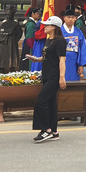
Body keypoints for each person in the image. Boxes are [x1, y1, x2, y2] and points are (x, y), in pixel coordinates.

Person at [26, 15, 66, 143]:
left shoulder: (60, 41)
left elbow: (62, 59)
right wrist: (37, 59)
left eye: (47, 25)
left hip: (54, 75)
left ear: (53, 27)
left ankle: (46, 129)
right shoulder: (49, 40)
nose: (44, 27)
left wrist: (61, 77)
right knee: (50, 103)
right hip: (47, 74)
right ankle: (54, 131)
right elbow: (49, 56)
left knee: (40, 101)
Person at [61, 5, 86, 81]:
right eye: (68, 17)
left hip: (75, 61)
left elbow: (82, 49)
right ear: (64, 18)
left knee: (74, 81)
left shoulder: (78, 32)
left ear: (75, 18)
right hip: (62, 60)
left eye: (72, 17)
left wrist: (81, 64)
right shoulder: (60, 31)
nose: (70, 19)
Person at [0, 6, 23, 74]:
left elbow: (19, 34)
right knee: (2, 58)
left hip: (13, 44)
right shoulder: (3, 23)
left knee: (13, 58)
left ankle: (12, 70)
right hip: (4, 44)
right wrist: (6, 35)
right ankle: (0, 70)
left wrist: (13, 38)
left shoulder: (15, 24)